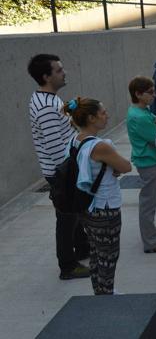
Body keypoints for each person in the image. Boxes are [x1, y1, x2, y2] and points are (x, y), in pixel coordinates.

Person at [27, 54, 89, 280]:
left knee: (75, 212)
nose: (64, 73)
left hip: (65, 168)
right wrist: (70, 172)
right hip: (61, 171)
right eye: (59, 70)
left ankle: (83, 248)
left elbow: (61, 131)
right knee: (66, 218)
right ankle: (68, 266)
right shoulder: (45, 106)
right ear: (46, 76)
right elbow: (55, 147)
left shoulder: (49, 100)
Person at [65, 97, 132, 295]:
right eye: (103, 113)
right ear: (92, 118)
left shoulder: (75, 140)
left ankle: (100, 291)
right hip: (105, 207)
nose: (107, 116)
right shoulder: (100, 146)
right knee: (108, 256)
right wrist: (113, 166)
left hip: (88, 207)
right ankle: (106, 294)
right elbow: (126, 166)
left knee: (96, 253)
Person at [126, 77, 156, 254]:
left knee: (151, 201)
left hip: (149, 161)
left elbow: (155, 120)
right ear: (138, 94)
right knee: (148, 203)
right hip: (148, 162)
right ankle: (151, 243)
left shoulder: (141, 110)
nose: (154, 95)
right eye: (150, 92)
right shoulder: (139, 117)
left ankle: (151, 231)